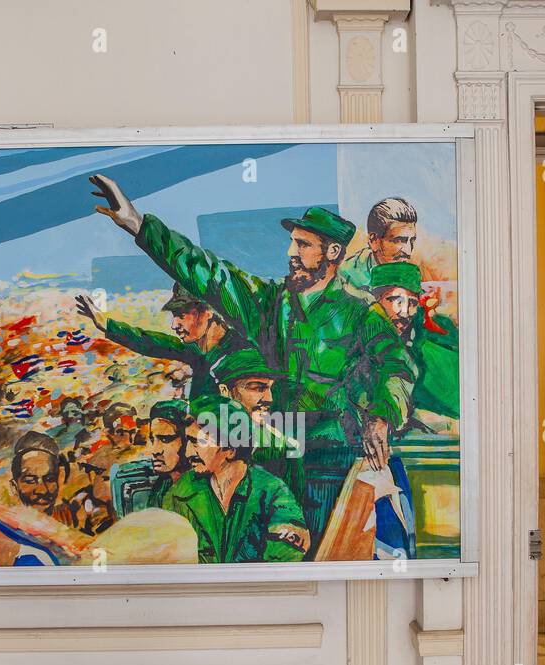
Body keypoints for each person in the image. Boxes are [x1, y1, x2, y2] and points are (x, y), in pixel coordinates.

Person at [89, 174, 414, 544]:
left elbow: (396, 366)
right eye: (292, 243)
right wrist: (137, 223)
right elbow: (208, 273)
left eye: (304, 245)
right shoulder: (268, 301)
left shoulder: (360, 311)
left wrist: (381, 415)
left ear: (333, 253)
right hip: (268, 458)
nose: (292, 253)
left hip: (328, 461)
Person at [162, 396, 309, 563]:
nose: (188, 453)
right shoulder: (180, 492)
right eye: (188, 441)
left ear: (230, 448)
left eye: (196, 443)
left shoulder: (272, 491)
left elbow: (288, 554)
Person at [76, 285, 241, 403]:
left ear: (207, 311)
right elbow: (151, 342)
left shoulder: (241, 354)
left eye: (181, 315)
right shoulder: (196, 351)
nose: (174, 325)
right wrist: (108, 325)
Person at [368, 262, 459, 421]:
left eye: (412, 303)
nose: (404, 312)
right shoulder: (362, 338)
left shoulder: (431, 341)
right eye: (395, 300)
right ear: (376, 301)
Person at [339, 197, 419, 290]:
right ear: (374, 241)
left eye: (412, 241)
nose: (408, 252)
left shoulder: (406, 273)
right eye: (399, 240)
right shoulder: (348, 280)